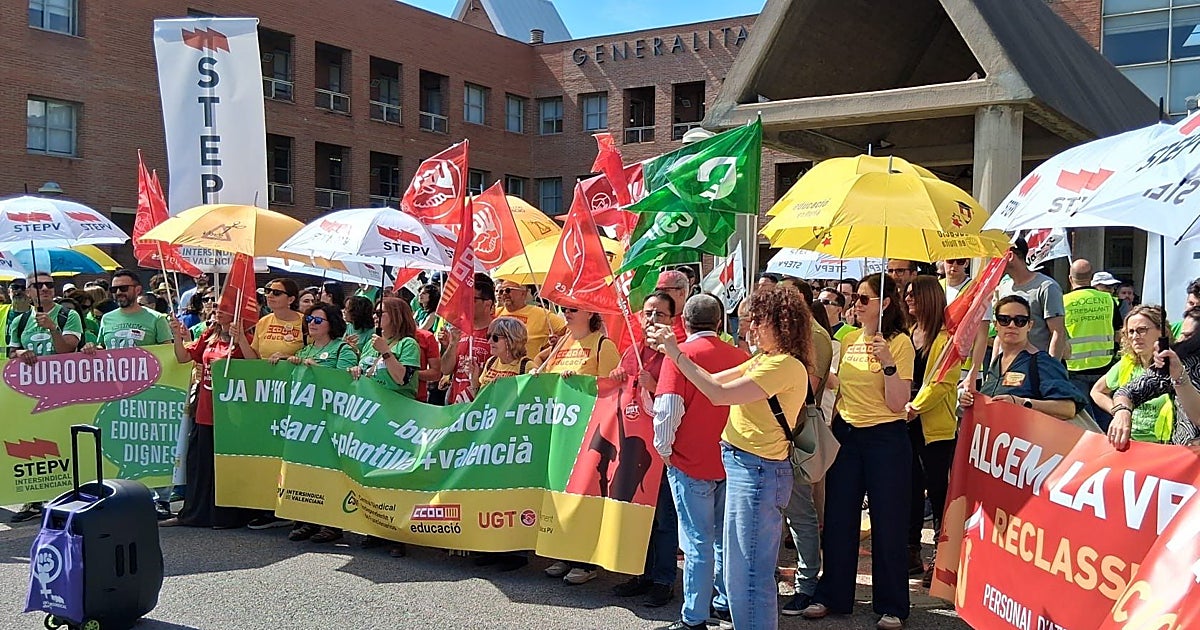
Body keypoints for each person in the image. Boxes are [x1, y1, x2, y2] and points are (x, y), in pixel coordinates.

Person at [647, 286, 811, 630]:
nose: (751, 328)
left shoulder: (782, 365)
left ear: (780, 324)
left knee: (748, 575)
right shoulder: (765, 359)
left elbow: (717, 392)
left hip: (757, 472)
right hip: (745, 469)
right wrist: (673, 353)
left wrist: (675, 353)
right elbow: (710, 381)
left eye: (759, 321)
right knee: (740, 572)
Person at [803, 274, 913, 630]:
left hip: (886, 437)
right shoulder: (848, 338)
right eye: (857, 298)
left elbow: (898, 403)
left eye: (864, 299)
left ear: (885, 303)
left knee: (888, 521)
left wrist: (889, 363)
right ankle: (833, 594)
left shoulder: (900, 343)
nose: (857, 304)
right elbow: (840, 386)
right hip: (848, 434)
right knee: (838, 518)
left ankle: (892, 604)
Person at [653, 294, 749, 630]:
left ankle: (694, 616)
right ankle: (724, 601)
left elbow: (667, 410)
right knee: (724, 539)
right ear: (720, 323)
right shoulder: (741, 356)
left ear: (685, 322)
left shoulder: (679, 357)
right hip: (730, 459)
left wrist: (664, 449)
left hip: (690, 460)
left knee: (697, 541)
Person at [537, 304, 621, 586]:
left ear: (590, 313)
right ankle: (564, 552)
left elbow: (612, 389)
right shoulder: (563, 342)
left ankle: (584, 561)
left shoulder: (603, 345)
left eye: (573, 308)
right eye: (564, 308)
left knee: (583, 494)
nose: (567, 312)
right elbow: (545, 376)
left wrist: (582, 382)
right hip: (560, 430)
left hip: (588, 431)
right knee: (560, 493)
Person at [609, 291, 680, 608]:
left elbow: (683, 398)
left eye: (659, 314)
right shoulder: (631, 352)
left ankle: (664, 580)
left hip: (662, 450)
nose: (652, 319)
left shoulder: (674, 354)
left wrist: (656, 386)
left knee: (664, 517)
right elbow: (619, 390)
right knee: (640, 516)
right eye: (648, 313)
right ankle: (642, 574)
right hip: (633, 447)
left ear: (672, 320)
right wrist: (616, 377)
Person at [87, 269, 176, 519]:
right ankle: (121, 495)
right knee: (120, 444)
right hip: (116, 394)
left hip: (149, 394)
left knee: (154, 444)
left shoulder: (156, 319)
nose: (118, 293)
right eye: (114, 289)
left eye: (123, 288)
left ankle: (161, 499)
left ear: (137, 289)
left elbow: (167, 353)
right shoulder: (108, 319)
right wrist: (93, 347)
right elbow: (103, 348)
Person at [160, 299, 254, 529]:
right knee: (200, 464)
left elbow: (254, 364)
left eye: (224, 308)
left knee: (225, 466)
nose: (217, 311)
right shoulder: (210, 334)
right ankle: (193, 514)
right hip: (205, 408)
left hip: (231, 413)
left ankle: (225, 517)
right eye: (216, 307)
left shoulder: (247, 338)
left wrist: (241, 338)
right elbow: (184, 357)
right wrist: (177, 336)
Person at [6, 273, 84, 523]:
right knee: (34, 443)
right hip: (29, 394)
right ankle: (34, 499)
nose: (45, 289)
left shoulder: (67, 315)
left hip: (64, 392)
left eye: (49, 285)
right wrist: (20, 353)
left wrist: (52, 328)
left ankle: (66, 496)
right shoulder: (19, 320)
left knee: (62, 441)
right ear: (28, 292)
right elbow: (11, 351)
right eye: (37, 286)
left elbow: (67, 349)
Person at [279, 303, 357, 545]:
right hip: (306, 423)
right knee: (307, 468)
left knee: (330, 470)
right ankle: (307, 519)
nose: (311, 324)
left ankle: (332, 524)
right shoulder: (305, 350)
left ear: (331, 324)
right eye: (309, 319)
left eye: (318, 320)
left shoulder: (342, 349)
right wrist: (283, 360)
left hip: (330, 421)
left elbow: (344, 382)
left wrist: (317, 369)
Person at [901, 277, 959, 587]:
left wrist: (915, 407)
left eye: (914, 294)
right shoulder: (908, 333)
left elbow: (942, 383)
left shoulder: (947, 339)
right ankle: (911, 551)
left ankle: (941, 555)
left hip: (934, 428)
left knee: (938, 492)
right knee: (910, 488)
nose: (908, 298)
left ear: (930, 298)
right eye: (906, 294)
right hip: (905, 423)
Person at [236, 278, 305, 531]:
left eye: (277, 292)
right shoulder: (264, 322)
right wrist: (241, 339)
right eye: (268, 291)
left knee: (290, 449)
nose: (270, 295)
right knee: (269, 448)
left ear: (291, 299)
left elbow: (315, 353)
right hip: (267, 396)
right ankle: (268, 503)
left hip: (295, 395)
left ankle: (293, 504)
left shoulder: (304, 322)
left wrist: (289, 357)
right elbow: (254, 359)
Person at [960, 295, 1087, 421]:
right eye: (1004, 320)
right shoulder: (996, 363)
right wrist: (971, 400)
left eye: (1020, 321)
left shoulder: (1042, 362)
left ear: (1029, 326)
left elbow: (1068, 408)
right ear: (996, 325)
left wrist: (1023, 402)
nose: (1012, 325)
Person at [1112, 306, 1200, 448]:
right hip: (1181, 454)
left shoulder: (1188, 363)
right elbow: (1126, 391)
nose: (1180, 340)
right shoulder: (1177, 363)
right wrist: (1122, 412)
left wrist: (1181, 378)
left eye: (1187, 336)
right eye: (1130, 331)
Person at [1092, 306, 1175, 449]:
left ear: (1162, 332)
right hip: (1130, 444)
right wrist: (1120, 411)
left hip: (1167, 447)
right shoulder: (1127, 363)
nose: (1135, 336)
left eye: (1142, 330)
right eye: (1130, 331)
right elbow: (1097, 391)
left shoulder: (1176, 365)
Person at [1064, 260, 1121, 429]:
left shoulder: (1062, 301)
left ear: (1070, 278)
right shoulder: (1108, 300)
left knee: (1084, 421)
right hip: (1104, 366)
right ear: (1091, 277)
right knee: (1106, 417)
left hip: (1074, 367)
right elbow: (1119, 333)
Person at [997, 237, 1068, 359]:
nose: (993, 263)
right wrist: (995, 365)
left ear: (1010, 256)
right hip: (1008, 365)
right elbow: (1000, 335)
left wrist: (1050, 366)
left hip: (1037, 364)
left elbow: (1058, 332)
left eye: (996, 255)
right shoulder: (1003, 288)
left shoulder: (1046, 287)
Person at [439, 274, 496, 404]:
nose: (465, 304)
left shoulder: (498, 331)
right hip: (456, 403)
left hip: (485, 403)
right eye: (464, 299)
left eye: (472, 300)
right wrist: (452, 344)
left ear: (487, 304)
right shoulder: (459, 330)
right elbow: (445, 369)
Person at [495, 280, 565, 360]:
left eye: (508, 290)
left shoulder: (541, 313)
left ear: (523, 293)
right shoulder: (496, 313)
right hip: (500, 366)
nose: (504, 294)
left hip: (527, 365)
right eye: (501, 291)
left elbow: (566, 330)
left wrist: (551, 345)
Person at [471, 316, 533, 394]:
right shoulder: (491, 361)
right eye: (488, 336)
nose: (489, 341)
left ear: (511, 340)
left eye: (495, 338)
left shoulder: (527, 366)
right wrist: (474, 379)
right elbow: (480, 396)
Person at [656, 270, 691, 340]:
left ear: (681, 293)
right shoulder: (649, 318)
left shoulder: (694, 321)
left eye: (664, 290)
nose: (659, 294)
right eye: (656, 290)